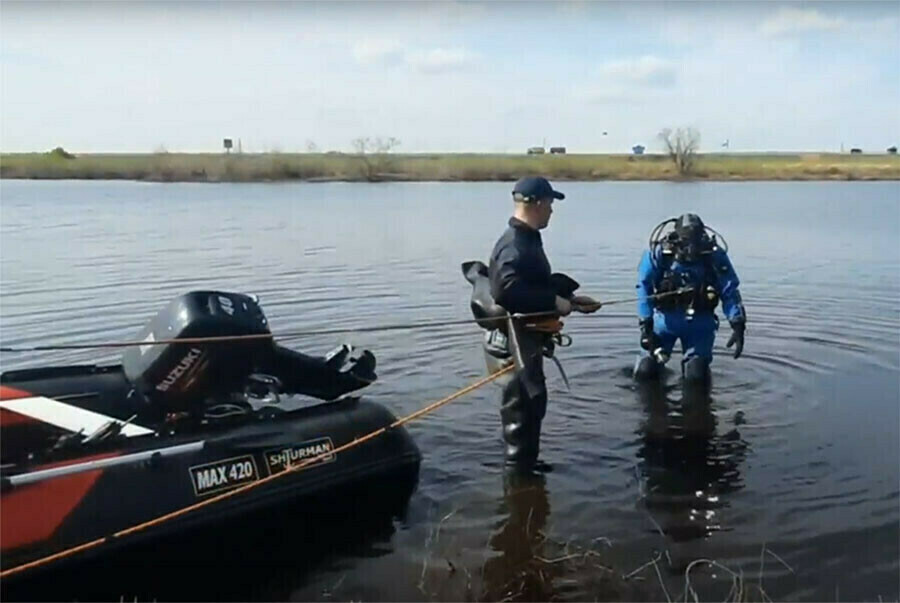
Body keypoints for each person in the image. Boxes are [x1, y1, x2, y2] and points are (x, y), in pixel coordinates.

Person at [475, 176, 600, 474]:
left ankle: (527, 473)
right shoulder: (515, 244)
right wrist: (554, 302)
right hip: (510, 346)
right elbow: (506, 291)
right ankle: (519, 482)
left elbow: (530, 283)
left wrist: (569, 298)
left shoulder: (527, 238)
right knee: (521, 413)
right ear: (538, 204)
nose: (552, 212)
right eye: (551, 204)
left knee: (533, 407)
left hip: (524, 339)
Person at [633, 213, 746, 384]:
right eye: (686, 243)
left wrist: (737, 323)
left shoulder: (714, 256)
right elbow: (644, 286)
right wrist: (645, 323)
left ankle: (696, 405)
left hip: (700, 324)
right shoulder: (660, 254)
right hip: (664, 321)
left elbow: (729, 289)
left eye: (695, 243)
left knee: (696, 376)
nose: (691, 250)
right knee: (645, 373)